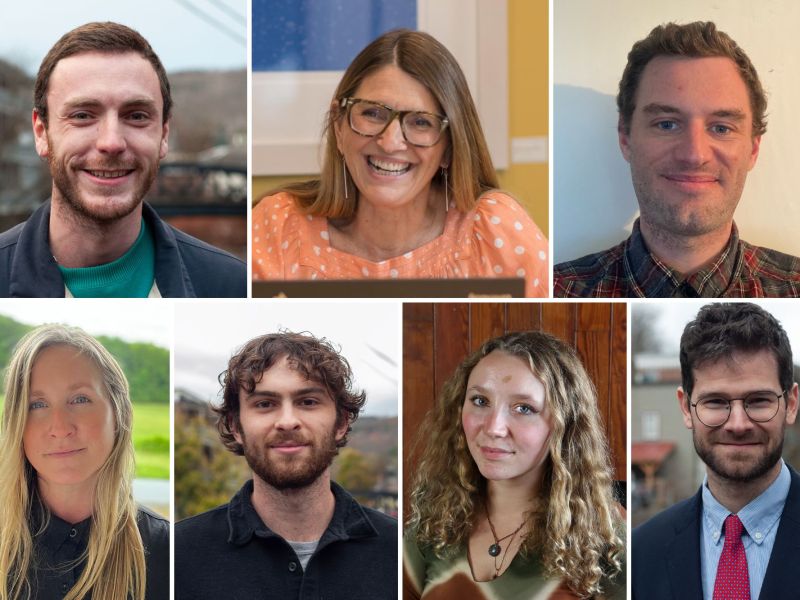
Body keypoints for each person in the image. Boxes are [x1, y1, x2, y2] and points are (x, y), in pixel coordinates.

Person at [252, 29, 548, 297]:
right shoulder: (278, 226)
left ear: (449, 148)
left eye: (421, 122)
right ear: (339, 126)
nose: (390, 142)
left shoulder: (494, 231)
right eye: (372, 114)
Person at [554, 21, 800, 298]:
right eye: (667, 124)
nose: (694, 155)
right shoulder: (555, 289)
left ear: (753, 149)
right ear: (625, 137)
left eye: (721, 128)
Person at [0, 21, 246, 297]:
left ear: (164, 134)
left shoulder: (231, 285)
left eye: (136, 116)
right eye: (82, 115)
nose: (112, 142)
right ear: (41, 132)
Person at [174, 332, 397, 599]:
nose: (287, 421)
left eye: (308, 402)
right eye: (265, 404)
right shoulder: (179, 555)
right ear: (235, 426)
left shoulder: (398, 551)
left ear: (341, 422)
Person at [404, 331, 625, 599]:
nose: (494, 428)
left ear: (564, 425)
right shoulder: (432, 526)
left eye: (524, 408)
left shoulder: (607, 536)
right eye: (480, 401)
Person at [632, 303, 800, 599]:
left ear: (791, 404)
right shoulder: (642, 552)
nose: (737, 424)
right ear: (686, 408)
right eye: (716, 402)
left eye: (759, 400)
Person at [0, 324, 168, 600]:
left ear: (119, 412)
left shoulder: (168, 551)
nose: (60, 427)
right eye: (37, 404)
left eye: (79, 399)